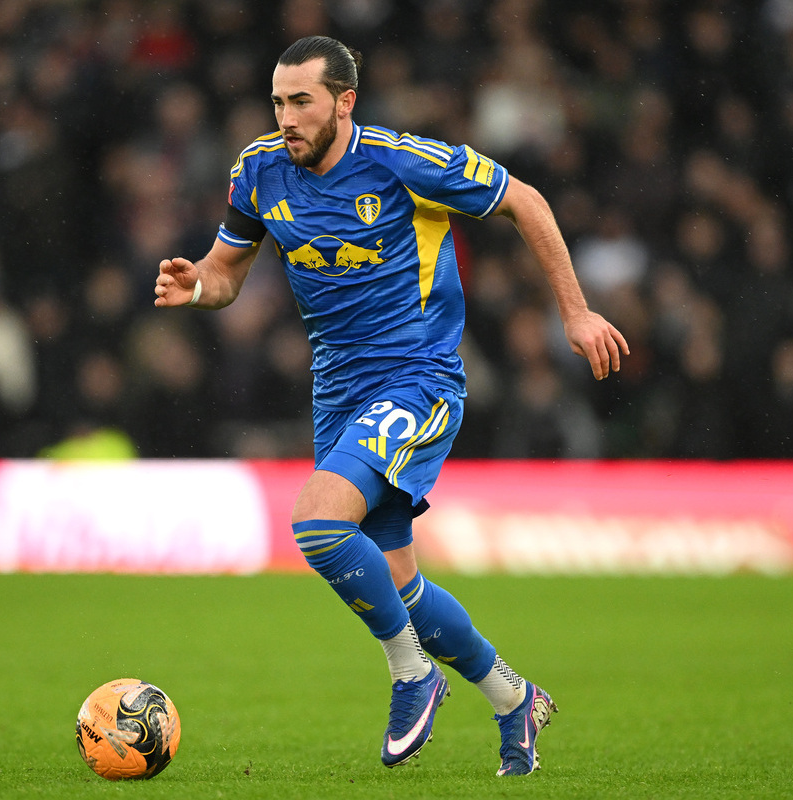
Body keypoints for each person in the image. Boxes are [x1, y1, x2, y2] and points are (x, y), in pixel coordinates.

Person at [155, 35, 628, 776]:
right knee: (398, 582)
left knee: (316, 523)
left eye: (302, 101)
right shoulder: (257, 172)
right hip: (337, 389)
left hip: (418, 379)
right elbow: (226, 270)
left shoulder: (403, 161)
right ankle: (513, 698)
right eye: (278, 101)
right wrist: (198, 288)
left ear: (344, 101)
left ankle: (413, 674)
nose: (286, 117)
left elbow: (526, 202)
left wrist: (575, 313)